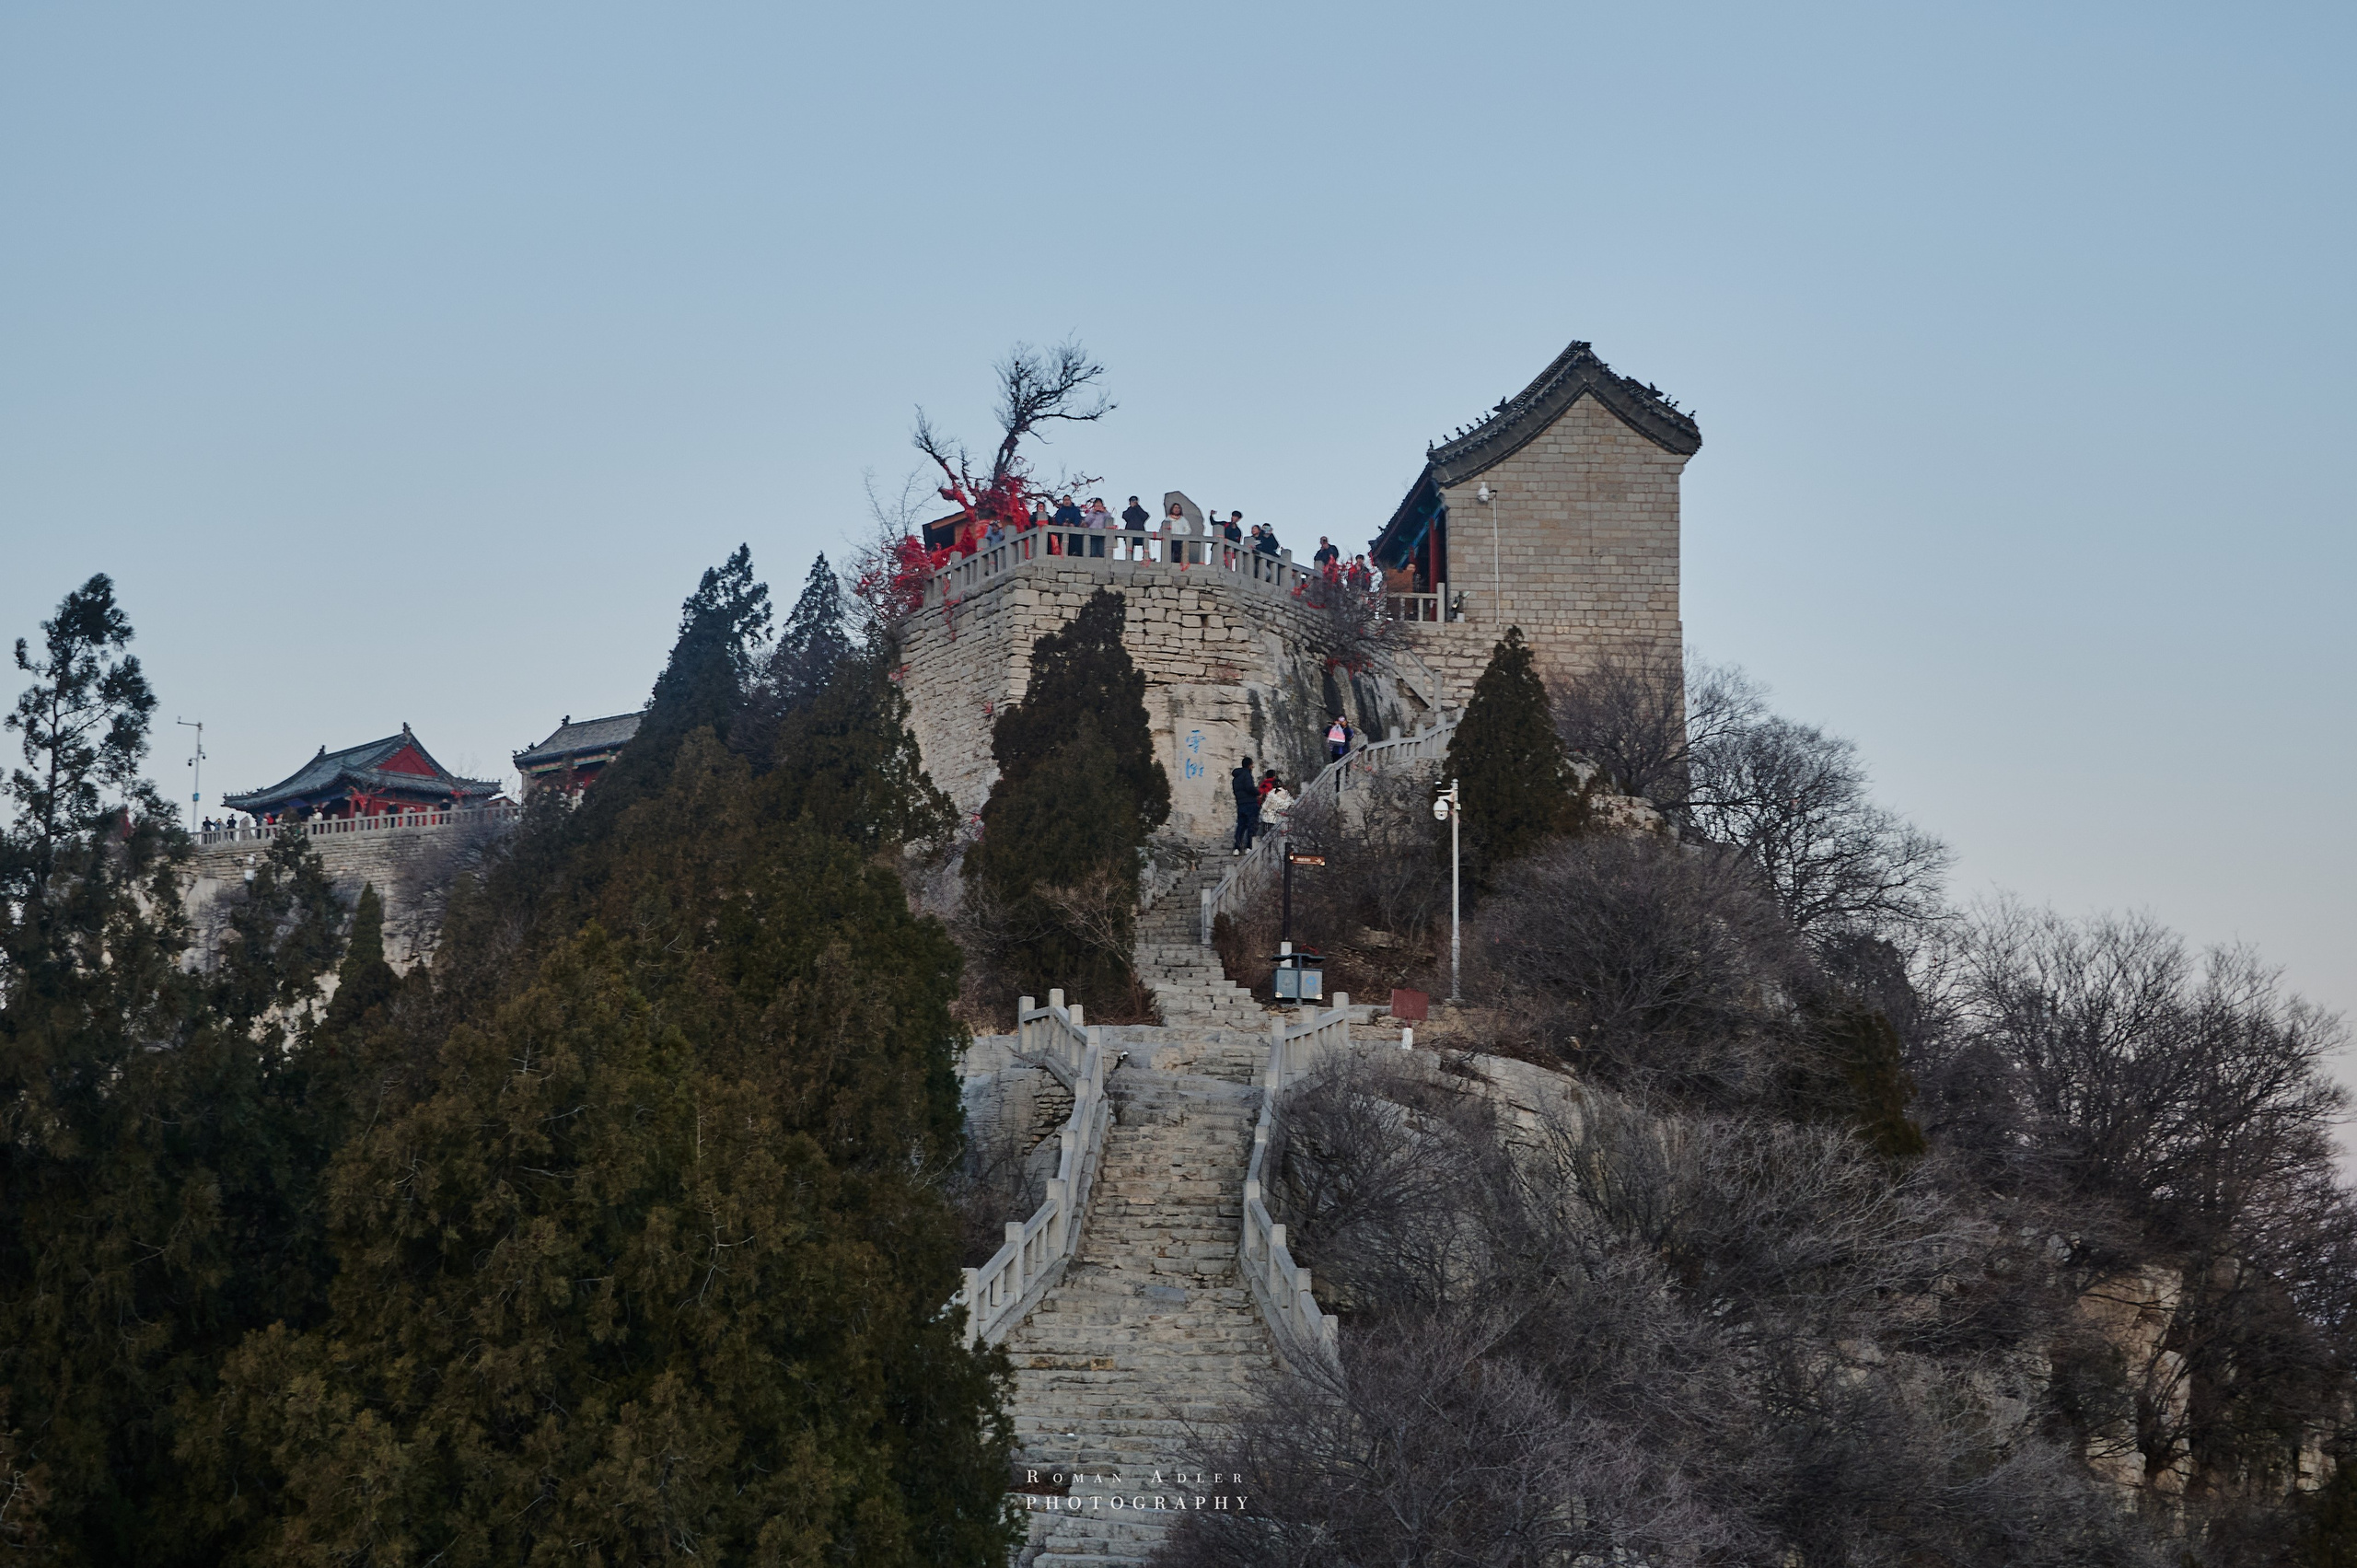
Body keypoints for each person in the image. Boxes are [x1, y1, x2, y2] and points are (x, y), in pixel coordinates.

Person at [1231, 756, 1260, 854]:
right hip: (1250, 803)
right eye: (1252, 765)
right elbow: (1249, 787)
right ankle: (1249, 847)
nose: (1252, 767)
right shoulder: (1246, 774)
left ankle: (1237, 848)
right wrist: (1258, 792)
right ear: (1249, 765)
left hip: (1241, 804)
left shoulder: (1235, 778)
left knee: (1241, 826)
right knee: (1251, 825)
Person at [1166, 499, 1194, 569]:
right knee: (1168, 553)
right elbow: (1163, 528)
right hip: (1170, 539)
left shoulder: (1183, 519)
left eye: (1178, 508)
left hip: (1180, 539)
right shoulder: (1168, 519)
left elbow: (1188, 529)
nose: (1177, 509)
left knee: (1178, 554)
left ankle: (1177, 565)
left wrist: (1182, 535)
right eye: (1175, 508)